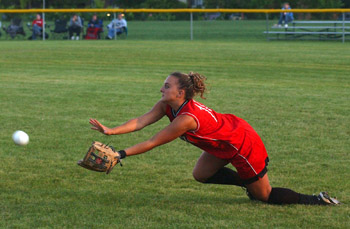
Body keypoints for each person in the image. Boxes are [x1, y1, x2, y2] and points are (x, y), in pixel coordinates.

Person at [89, 72, 340, 205]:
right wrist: (111, 131)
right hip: (223, 140)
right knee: (201, 175)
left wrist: (120, 154)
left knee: (264, 197)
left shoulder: (186, 118)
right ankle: (247, 183)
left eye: (167, 85)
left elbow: (155, 140)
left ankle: (317, 200)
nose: (162, 89)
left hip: (241, 143)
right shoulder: (167, 105)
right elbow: (141, 121)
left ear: (181, 92)